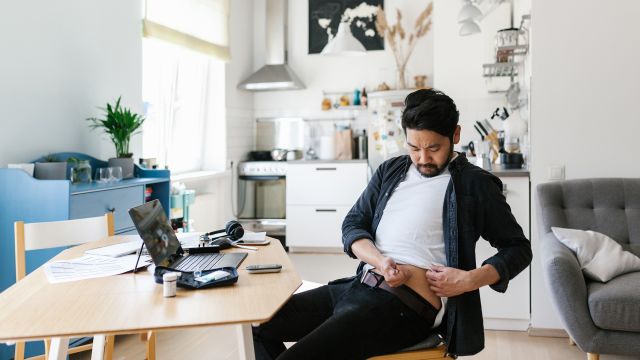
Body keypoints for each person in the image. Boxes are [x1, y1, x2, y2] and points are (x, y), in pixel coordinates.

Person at [252, 89, 532, 359]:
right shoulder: (391, 171)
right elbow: (353, 224)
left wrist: (469, 280)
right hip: (357, 286)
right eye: (414, 147)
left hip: (402, 307)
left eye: (433, 148)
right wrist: (380, 261)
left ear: (455, 135)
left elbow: (518, 249)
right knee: (259, 326)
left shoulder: (475, 184)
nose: (423, 158)